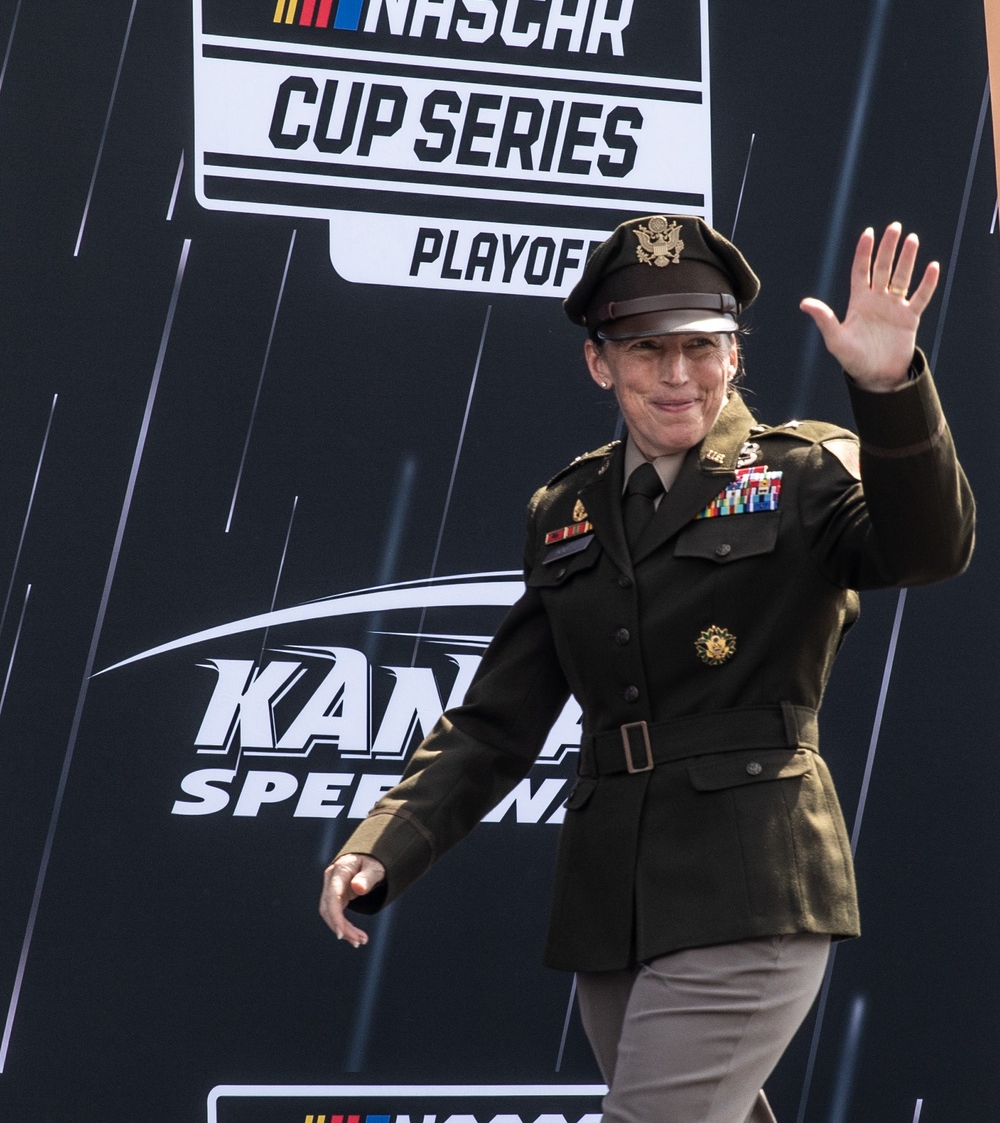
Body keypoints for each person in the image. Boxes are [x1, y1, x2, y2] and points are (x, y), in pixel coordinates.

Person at [318, 215, 974, 1123]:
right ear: (602, 363)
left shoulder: (803, 473)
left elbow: (931, 548)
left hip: (753, 887)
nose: (678, 375)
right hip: (614, 904)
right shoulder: (566, 507)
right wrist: (381, 841)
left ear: (736, 355)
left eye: (702, 348)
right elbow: (496, 721)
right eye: (649, 350)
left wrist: (889, 388)